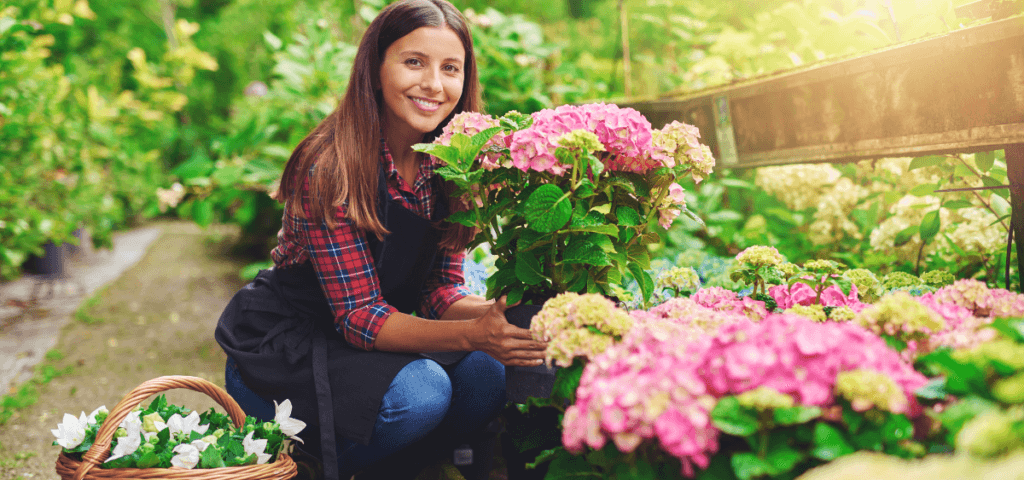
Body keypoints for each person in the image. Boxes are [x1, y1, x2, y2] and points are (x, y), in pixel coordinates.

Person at [213, 1, 548, 479]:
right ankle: (305, 471)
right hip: (287, 352)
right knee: (421, 393)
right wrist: (474, 334)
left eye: (450, 68)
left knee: (487, 374)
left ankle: (391, 467)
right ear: (374, 69)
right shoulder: (329, 167)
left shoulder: (448, 163)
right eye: (414, 62)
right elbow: (358, 316)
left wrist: (507, 316)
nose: (433, 83)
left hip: (364, 344)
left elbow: (439, 290)